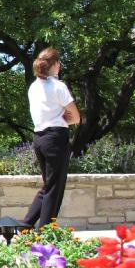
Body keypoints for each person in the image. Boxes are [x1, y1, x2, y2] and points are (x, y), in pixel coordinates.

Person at [22, 48, 81, 229]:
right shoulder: (58, 86)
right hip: (56, 138)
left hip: (39, 139)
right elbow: (76, 118)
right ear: (54, 65)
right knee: (55, 188)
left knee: (49, 186)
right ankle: (45, 232)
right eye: (59, 63)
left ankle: (25, 225)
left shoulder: (33, 87)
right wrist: (62, 117)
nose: (60, 66)